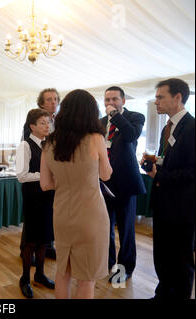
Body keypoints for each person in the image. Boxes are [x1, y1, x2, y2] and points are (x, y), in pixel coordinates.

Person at [40, 89, 112, 299]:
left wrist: (65, 184)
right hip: (91, 214)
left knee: (63, 272)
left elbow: (45, 184)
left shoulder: (49, 143)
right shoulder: (96, 138)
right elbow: (106, 175)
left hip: (62, 213)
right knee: (86, 278)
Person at [142, 78, 194, 299]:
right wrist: (154, 163)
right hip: (164, 202)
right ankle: (163, 292)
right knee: (162, 255)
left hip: (182, 207)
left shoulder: (192, 128)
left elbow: (192, 172)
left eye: (160, 97)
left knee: (180, 259)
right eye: (155, 98)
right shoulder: (168, 126)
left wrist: (158, 174)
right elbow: (171, 160)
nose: (156, 102)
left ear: (178, 97)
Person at [100, 86, 146, 284]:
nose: (110, 103)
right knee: (105, 227)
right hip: (104, 183)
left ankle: (124, 269)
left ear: (123, 101)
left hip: (125, 183)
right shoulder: (100, 123)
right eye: (107, 100)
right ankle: (107, 262)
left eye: (114, 99)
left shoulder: (135, 117)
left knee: (126, 230)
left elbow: (130, 136)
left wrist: (115, 116)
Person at [16, 108, 55, 299]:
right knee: (31, 241)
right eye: (42, 123)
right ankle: (24, 278)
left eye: (48, 122)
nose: (47, 126)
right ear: (32, 126)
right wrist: (46, 177)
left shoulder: (49, 144)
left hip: (48, 198)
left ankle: (40, 275)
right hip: (33, 199)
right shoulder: (25, 145)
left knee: (44, 240)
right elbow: (22, 176)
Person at [20, 88, 60, 262]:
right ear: (42, 103)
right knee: (33, 223)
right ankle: (27, 249)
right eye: (49, 99)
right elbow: (28, 144)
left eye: (55, 99)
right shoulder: (32, 122)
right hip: (35, 180)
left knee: (48, 218)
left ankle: (46, 247)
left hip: (52, 177)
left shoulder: (60, 121)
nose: (53, 102)